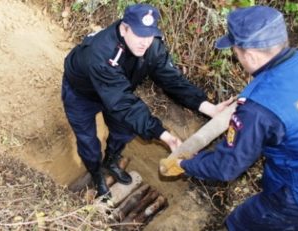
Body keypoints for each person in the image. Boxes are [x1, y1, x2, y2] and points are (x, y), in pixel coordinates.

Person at [62, 3, 230, 198]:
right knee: (88, 141)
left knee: (124, 130)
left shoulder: (151, 45)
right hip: (82, 94)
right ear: (124, 29)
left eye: (149, 35)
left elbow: (172, 79)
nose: (145, 42)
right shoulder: (101, 53)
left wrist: (209, 108)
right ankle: (96, 172)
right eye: (139, 35)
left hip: (118, 90)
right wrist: (163, 134)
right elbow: (124, 103)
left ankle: (111, 161)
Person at [170, 5, 298, 230]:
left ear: (252, 55)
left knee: (240, 223)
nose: (237, 59)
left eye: (236, 53)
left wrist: (185, 164)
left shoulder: (258, 107)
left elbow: (226, 167)